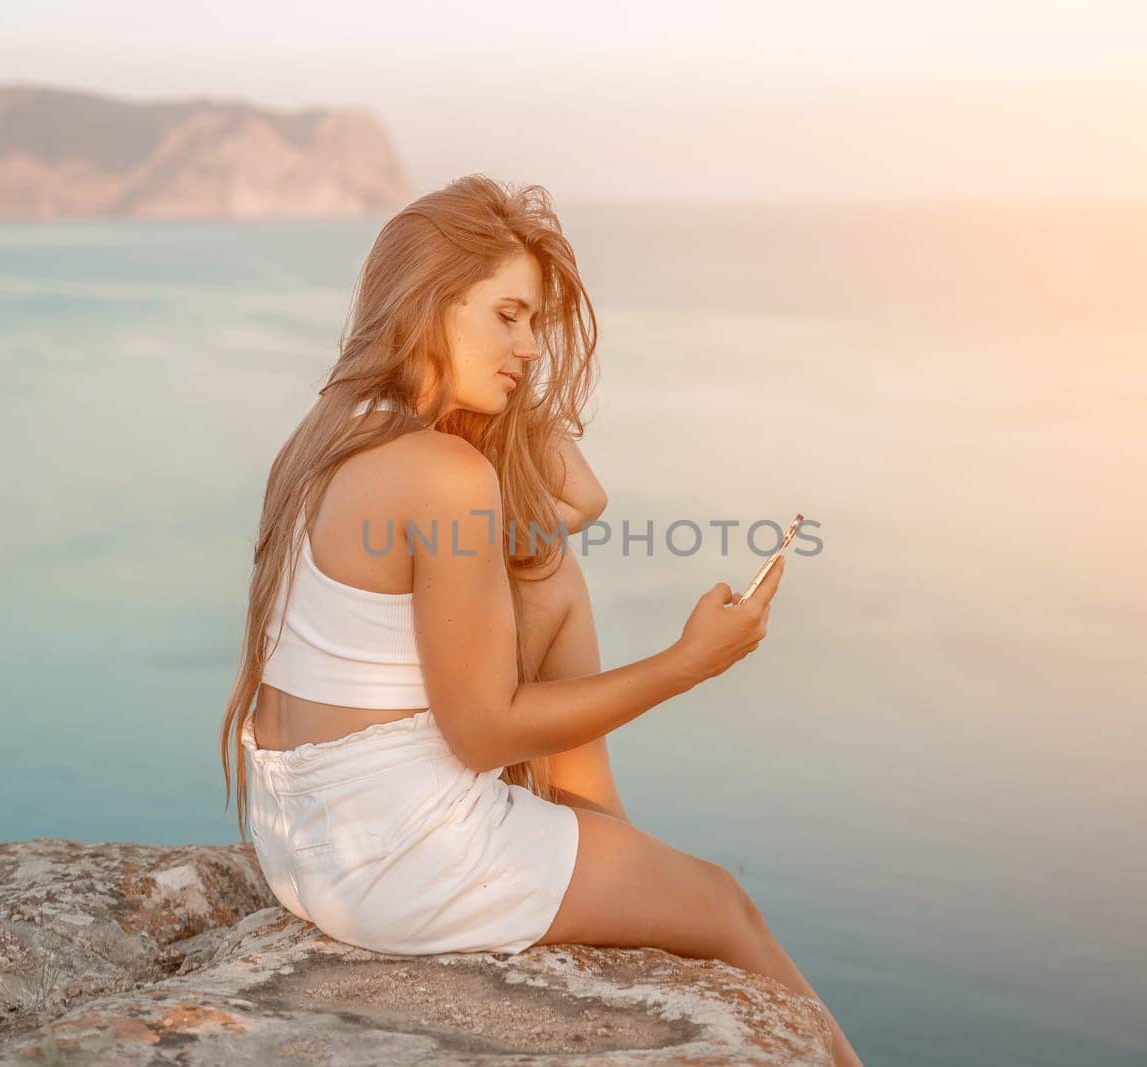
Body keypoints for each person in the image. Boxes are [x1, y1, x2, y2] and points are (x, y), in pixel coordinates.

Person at [219, 174, 863, 1066]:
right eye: (509, 316)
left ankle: (604, 840)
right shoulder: (442, 471)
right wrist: (689, 661)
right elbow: (483, 733)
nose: (529, 348)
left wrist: (488, 384)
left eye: (535, 325)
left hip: (300, 843)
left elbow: (575, 504)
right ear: (433, 304)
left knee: (551, 579)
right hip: (396, 860)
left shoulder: (334, 431)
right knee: (722, 905)